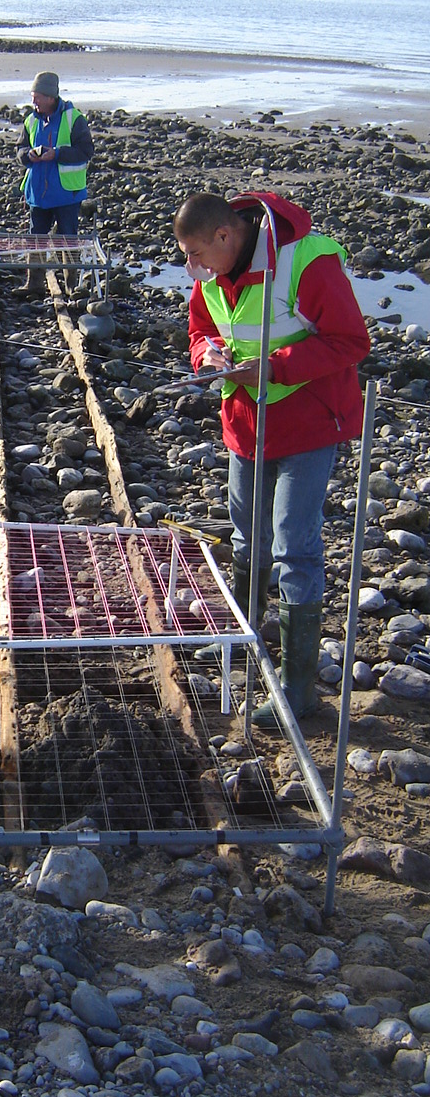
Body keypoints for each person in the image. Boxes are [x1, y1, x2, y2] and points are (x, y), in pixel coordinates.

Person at [174, 191, 370, 727]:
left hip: (307, 423)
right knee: (247, 537)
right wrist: (207, 354)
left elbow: (351, 341)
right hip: (244, 424)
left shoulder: (308, 260)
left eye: (195, 254)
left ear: (225, 236)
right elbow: (201, 329)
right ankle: (245, 637)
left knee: (293, 545)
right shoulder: (210, 271)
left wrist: (271, 367)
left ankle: (298, 689)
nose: (191, 268)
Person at [17, 71, 94, 236]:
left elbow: (86, 151)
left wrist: (57, 154)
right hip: (37, 195)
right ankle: (36, 263)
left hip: (66, 195)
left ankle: (66, 262)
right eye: (33, 96)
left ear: (50, 97)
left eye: (37, 97)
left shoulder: (74, 118)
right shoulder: (31, 120)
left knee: (67, 243)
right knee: (36, 244)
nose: (33, 101)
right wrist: (27, 155)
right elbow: (20, 149)